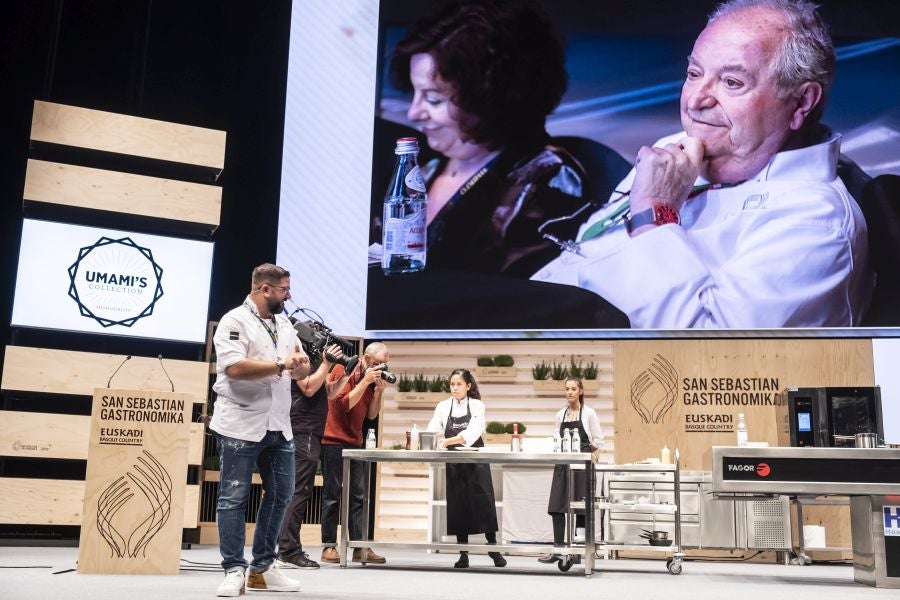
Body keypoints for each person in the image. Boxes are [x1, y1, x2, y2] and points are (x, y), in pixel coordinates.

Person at [532, 0, 872, 329]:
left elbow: (713, 361)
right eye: (694, 73)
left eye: (732, 82)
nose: (696, 100)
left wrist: (655, 214)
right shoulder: (674, 150)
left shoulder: (815, 221)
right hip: (537, 317)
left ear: (801, 102)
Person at [384, 0, 598, 277]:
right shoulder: (425, 167)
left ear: (490, 99)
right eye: (413, 94)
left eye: (433, 99)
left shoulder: (550, 176)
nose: (413, 112)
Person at [210, 263, 311, 597]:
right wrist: (282, 365)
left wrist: (300, 368)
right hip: (240, 423)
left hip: (279, 426)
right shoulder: (233, 321)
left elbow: (298, 370)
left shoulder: (284, 323)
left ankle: (263, 568)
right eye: (284, 290)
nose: (289, 295)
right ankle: (233, 570)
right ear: (265, 289)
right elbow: (235, 368)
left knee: (282, 494)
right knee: (233, 498)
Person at [274, 341, 345, 570]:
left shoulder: (312, 362)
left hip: (311, 431)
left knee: (298, 490)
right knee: (299, 490)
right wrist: (326, 363)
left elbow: (329, 393)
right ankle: (288, 551)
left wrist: (349, 373)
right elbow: (308, 388)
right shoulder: (298, 358)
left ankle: (285, 548)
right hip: (302, 429)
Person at [318, 342, 391, 565]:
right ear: (365, 358)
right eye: (377, 363)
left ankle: (359, 547)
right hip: (333, 439)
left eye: (385, 364)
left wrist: (378, 391)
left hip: (355, 441)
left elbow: (371, 415)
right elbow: (341, 406)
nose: (380, 368)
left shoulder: (372, 379)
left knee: (358, 497)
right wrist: (364, 382)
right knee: (332, 494)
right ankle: (329, 546)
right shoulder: (344, 369)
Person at [426, 369, 506, 569]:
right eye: (452, 384)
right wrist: (429, 437)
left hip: (476, 458)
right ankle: (463, 554)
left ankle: (493, 548)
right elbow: (433, 427)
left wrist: (449, 440)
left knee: (485, 504)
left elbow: (474, 431)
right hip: (454, 461)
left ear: (468, 386)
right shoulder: (443, 406)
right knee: (458, 505)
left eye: (459, 384)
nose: (454, 388)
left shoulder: (478, 405)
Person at [538, 377, 603, 565]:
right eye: (567, 389)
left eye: (573, 389)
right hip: (562, 464)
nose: (569, 392)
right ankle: (559, 548)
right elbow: (557, 438)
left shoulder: (589, 414)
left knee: (581, 508)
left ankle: (578, 550)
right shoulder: (560, 415)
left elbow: (599, 441)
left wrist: (584, 454)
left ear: (581, 391)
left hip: (582, 466)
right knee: (556, 506)